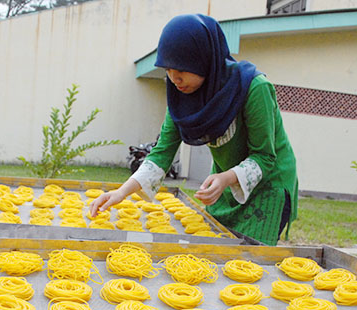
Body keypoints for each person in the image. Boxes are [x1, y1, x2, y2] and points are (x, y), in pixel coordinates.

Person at [89, 14, 298, 245]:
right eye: (167, 69)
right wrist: (121, 193)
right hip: (224, 181)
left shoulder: (253, 89)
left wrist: (227, 178)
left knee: (251, 257)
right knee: (219, 246)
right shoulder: (181, 97)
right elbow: (161, 153)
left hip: (268, 184)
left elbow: (265, 156)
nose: (174, 78)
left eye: (181, 69)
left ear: (204, 60)